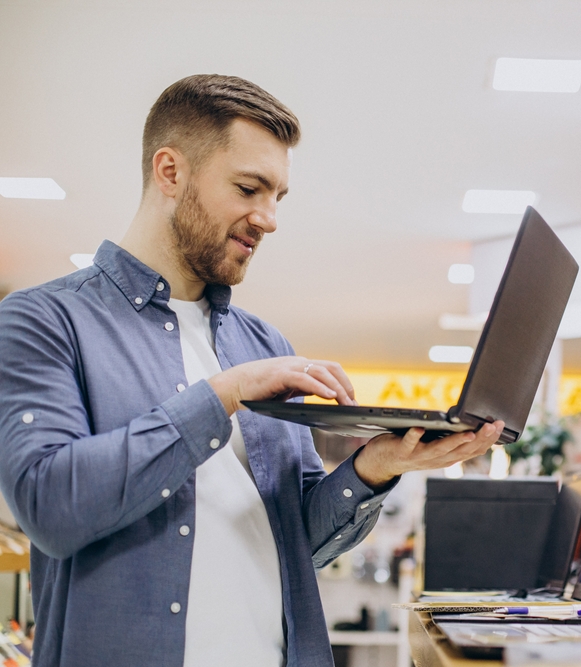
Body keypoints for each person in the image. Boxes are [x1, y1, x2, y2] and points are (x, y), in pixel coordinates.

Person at [0, 75, 504, 667]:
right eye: (248, 188)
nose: (267, 218)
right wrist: (221, 395)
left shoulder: (261, 342)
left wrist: (375, 466)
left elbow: (298, 543)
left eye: (278, 197)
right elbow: (50, 507)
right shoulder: (42, 320)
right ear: (170, 172)